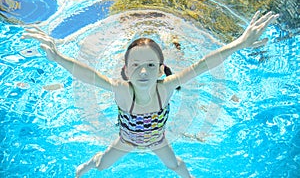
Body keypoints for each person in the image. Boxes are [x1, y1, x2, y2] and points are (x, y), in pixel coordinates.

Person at [22, 11, 279, 178]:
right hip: (127, 140)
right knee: (102, 166)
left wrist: (240, 43)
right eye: (135, 65)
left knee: (176, 166)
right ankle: (88, 165)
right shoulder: (122, 91)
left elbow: (203, 65)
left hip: (158, 140)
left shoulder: (165, 87)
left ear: (160, 70)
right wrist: (58, 57)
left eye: (150, 65)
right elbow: (87, 74)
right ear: (125, 70)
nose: (143, 71)